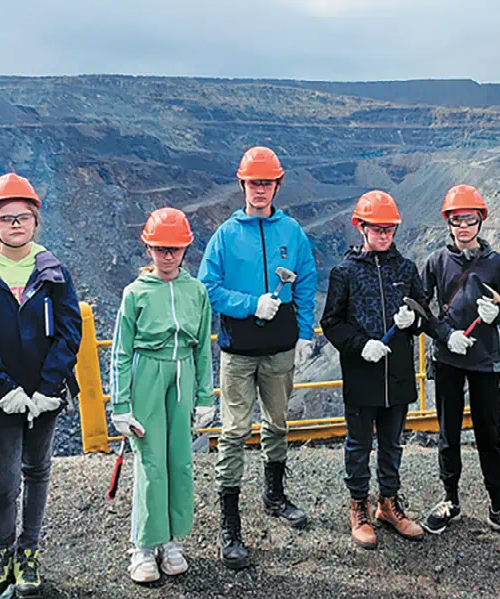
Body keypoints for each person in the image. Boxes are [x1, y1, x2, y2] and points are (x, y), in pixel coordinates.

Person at [0, 174, 82, 597]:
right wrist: (1, 387)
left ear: (35, 220)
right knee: (1, 482)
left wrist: (49, 387)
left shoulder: (53, 272)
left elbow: (70, 332)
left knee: (37, 469)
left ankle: (28, 550)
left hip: (43, 396)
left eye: (23, 217)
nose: (15, 225)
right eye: (6, 218)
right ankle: (1, 551)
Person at [197, 146, 317, 569]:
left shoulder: (292, 233)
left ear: (277, 186)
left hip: (281, 349)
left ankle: (274, 495)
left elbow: (305, 282)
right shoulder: (226, 236)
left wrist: (304, 333)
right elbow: (207, 287)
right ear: (243, 185)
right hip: (238, 350)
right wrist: (250, 304)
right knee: (233, 432)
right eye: (254, 183)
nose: (260, 189)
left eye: (267, 183)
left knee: (278, 423)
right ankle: (229, 524)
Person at [417, 185, 500, 543]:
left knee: (488, 435)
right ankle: (450, 501)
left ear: (480, 220)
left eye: (470, 218)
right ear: (448, 222)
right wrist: (443, 334)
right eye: (457, 219)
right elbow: (422, 309)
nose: (464, 225)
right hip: (449, 359)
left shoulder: (496, 263)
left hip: (484, 361)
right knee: (448, 434)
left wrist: (497, 312)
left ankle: (498, 507)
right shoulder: (436, 261)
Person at [321, 191, 435, 548]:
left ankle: (389, 504)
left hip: (397, 370)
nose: (384, 235)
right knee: (358, 444)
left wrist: (413, 318)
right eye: (377, 229)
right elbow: (331, 322)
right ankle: (359, 506)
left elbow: (423, 314)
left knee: (392, 443)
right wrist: (360, 344)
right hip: (362, 371)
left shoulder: (406, 269)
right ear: (361, 227)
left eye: (389, 229)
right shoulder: (345, 272)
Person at [109, 208, 215, 582]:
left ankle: (171, 541)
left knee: (180, 461)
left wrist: (206, 396)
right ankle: (142, 546)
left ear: (185, 249)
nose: (167, 256)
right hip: (148, 375)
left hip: (183, 374)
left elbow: (202, 346)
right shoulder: (135, 293)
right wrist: (120, 404)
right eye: (160, 249)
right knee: (150, 462)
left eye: (174, 249)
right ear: (147, 249)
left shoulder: (196, 291)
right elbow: (120, 351)